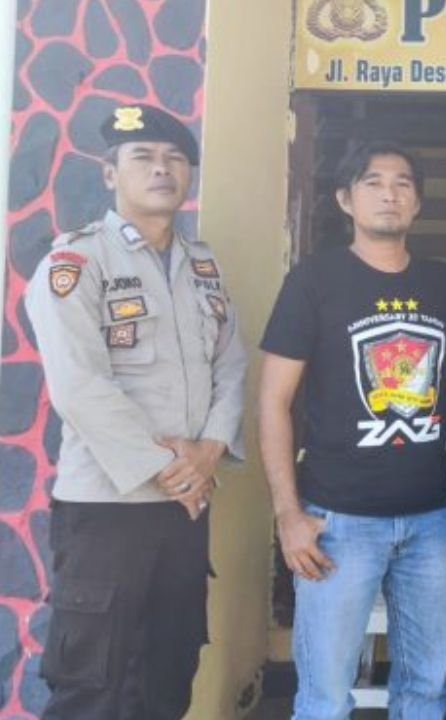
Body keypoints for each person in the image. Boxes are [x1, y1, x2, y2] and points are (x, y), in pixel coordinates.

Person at [26, 104, 246, 719]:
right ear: (109, 174)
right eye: (143, 157)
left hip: (185, 507)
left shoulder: (204, 267)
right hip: (108, 505)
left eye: (175, 159)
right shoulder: (76, 263)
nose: (161, 169)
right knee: (92, 684)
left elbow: (231, 364)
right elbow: (78, 384)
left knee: (167, 676)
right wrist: (167, 468)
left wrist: (209, 452)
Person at [258, 141, 446, 720]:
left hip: (431, 522)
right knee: (326, 697)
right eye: (373, 182)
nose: (389, 194)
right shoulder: (314, 280)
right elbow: (274, 402)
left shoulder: (443, 284)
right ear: (345, 199)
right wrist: (288, 514)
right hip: (338, 522)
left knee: (426, 691)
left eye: (403, 183)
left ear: (418, 202)